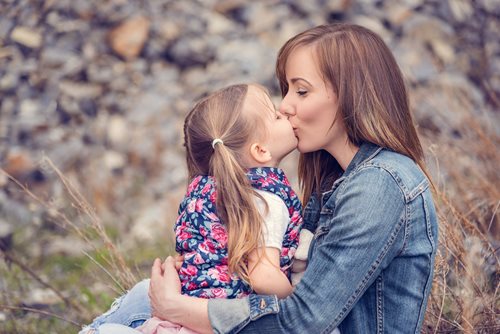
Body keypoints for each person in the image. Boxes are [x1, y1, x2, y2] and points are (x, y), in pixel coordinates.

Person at [84, 23, 439, 334]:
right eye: (285, 89)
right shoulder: (336, 177)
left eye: (301, 91)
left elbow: (305, 320)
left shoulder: (379, 185)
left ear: (351, 95)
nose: (285, 105)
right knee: (141, 298)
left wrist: (181, 309)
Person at [80, 83, 308, 334]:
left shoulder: (212, 191)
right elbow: (263, 276)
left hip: (190, 308)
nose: (285, 113)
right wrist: (299, 302)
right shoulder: (267, 200)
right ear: (261, 150)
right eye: (275, 116)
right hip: (221, 320)